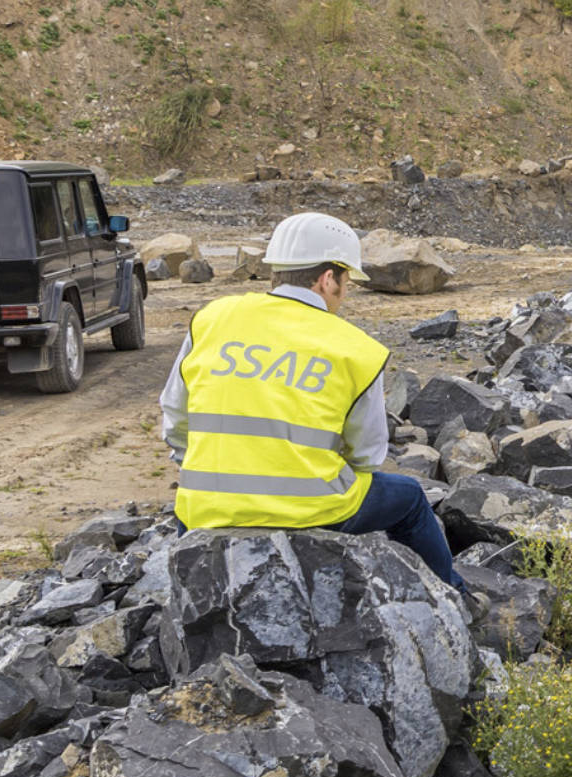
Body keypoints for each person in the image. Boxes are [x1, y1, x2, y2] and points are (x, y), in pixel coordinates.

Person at [157, 211, 465, 591]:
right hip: (311, 510)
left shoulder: (213, 318)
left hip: (203, 508)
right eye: (346, 280)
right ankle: (454, 594)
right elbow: (368, 457)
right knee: (411, 500)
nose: (346, 291)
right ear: (327, 279)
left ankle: (188, 591)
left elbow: (174, 415)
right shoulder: (355, 349)